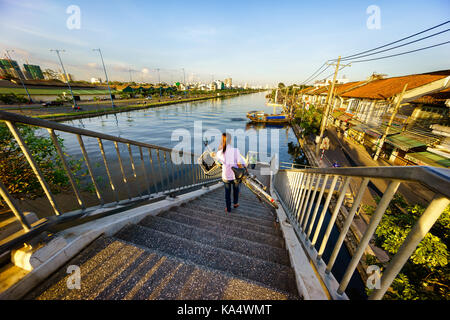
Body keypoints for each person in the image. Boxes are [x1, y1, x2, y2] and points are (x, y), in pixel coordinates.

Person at [211, 133, 247, 213]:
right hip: (236, 176)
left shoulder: (220, 152)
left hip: (226, 176)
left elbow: (217, 161)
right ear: (230, 140)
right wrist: (244, 169)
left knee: (227, 192)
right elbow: (239, 163)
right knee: (236, 190)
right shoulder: (235, 151)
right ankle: (235, 203)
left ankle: (228, 208)